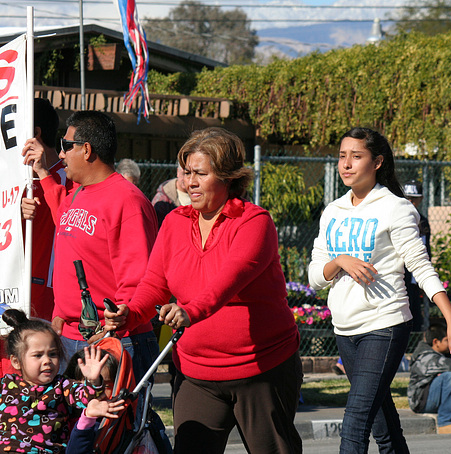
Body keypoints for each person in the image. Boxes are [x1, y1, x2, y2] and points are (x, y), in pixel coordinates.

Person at [105, 127, 303, 454]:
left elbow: (229, 280)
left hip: (261, 368)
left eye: (200, 173)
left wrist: (190, 311)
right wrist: (130, 313)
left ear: (228, 177)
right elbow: (155, 283)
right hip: (195, 372)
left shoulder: (254, 222)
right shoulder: (174, 222)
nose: (189, 183)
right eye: (186, 173)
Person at [308, 127, 451, 453]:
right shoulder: (333, 211)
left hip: (384, 323)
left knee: (354, 423)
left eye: (357, 156)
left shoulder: (396, 208)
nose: (347, 164)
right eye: (342, 156)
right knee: (384, 428)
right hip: (344, 327)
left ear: (377, 161)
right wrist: (340, 260)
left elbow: (421, 267)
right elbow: (314, 276)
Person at [21, 110, 159, 381]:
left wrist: (113, 329)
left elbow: (140, 278)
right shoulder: (78, 194)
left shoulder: (128, 201)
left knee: (117, 422)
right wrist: (61, 311)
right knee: (77, 424)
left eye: (65, 146)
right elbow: (66, 220)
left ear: (86, 150)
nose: (60, 155)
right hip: (74, 339)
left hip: (115, 342)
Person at [0, 98, 74, 427]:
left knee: (30, 390)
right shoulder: (1, 175)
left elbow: (70, 229)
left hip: (38, 298)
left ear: (35, 134)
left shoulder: (62, 179)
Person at [0, 309, 115, 453]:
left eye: (52, 354)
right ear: (16, 361)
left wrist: (93, 380)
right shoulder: (4, 385)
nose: (47, 361)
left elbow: (87, 399)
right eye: (38, 355)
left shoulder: (63, 386)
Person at [403, 180, 431, 331]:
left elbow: (427, 249)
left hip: (415, 274)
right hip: (399, 273)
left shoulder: (423, 221)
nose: (411, 202)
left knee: (414, 314)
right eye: (408, 198)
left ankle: (413, 346)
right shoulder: (396, 218)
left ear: (420, 199)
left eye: (414, 198)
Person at [151, 161, 190, 227]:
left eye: (189, 174)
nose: (185, 178)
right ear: (178, 172)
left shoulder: (201, 195)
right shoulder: (162, 198)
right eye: (183, 173)